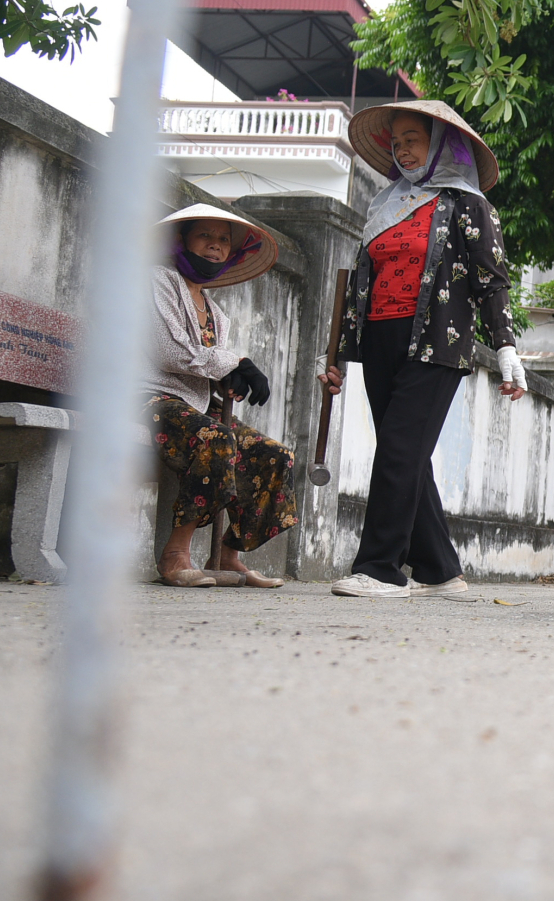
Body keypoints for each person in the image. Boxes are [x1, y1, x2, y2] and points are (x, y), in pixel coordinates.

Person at [321, 100, 527, 598]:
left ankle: (380, 569)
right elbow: (360, 282)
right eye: (397, 142)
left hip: (439, 341)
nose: (403, 149)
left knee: (398, 450)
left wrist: (505, 349)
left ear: (439, 144)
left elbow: (490, 280)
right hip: (379, 339)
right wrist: (338, 358)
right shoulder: (384, 204)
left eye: (413, 139)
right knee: (406, 453)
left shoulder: (468, 205)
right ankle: (438, 569)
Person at [149, 206, 295, 588]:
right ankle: (175, 554)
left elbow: (207, 366)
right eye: (205, 236)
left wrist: (230, 380)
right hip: (143, 396)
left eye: (223, 240)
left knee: (273, 455)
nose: (215, 246)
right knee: (215, 438)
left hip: (191, 404)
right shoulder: (156, 281)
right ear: (182, 241)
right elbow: (168, 351)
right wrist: (237, 361)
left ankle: (227, 555)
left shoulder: (217, 313)